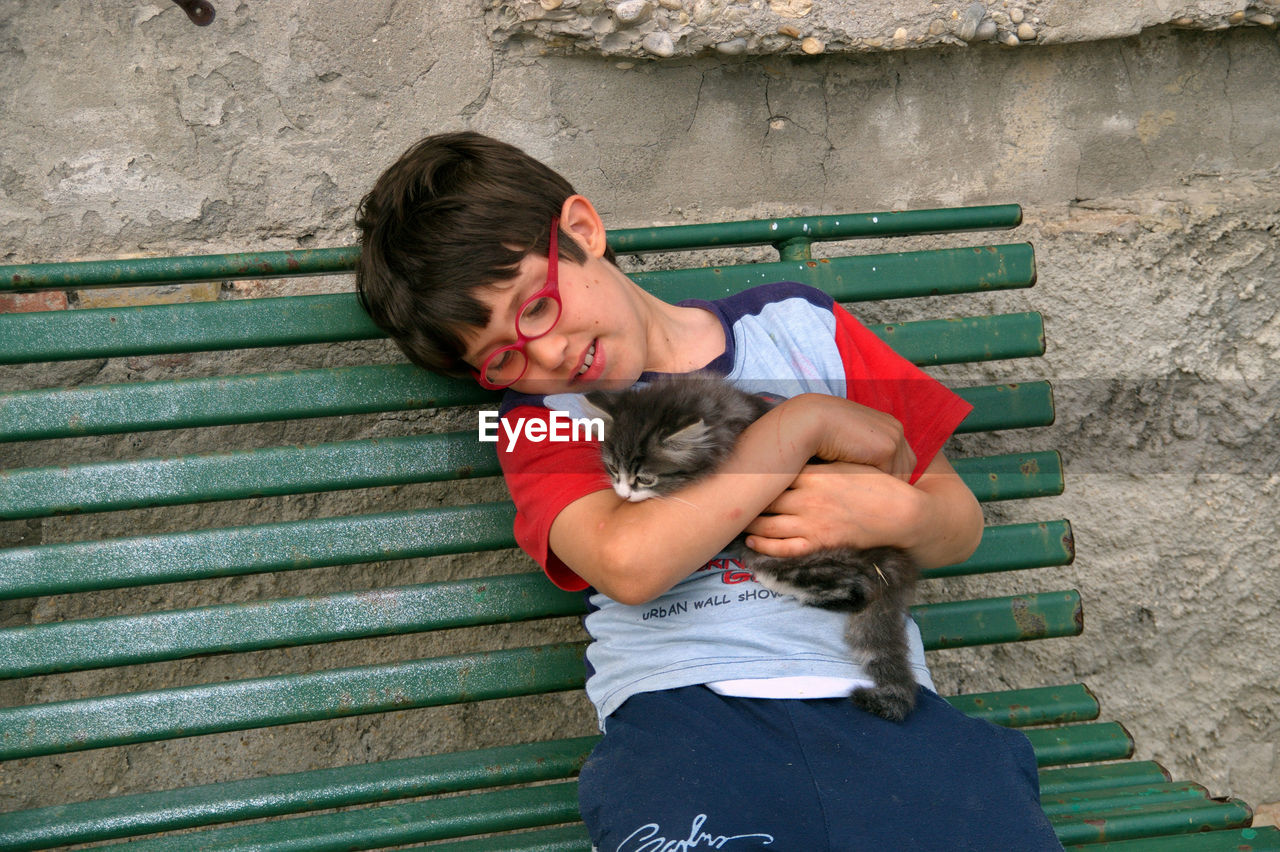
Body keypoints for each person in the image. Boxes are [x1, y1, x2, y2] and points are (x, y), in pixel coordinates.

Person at [355, 130, 1064, 851]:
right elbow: (628, 563)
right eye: (503, 356)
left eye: (535, 307)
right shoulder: (544, 420)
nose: (547, 355)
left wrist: (903, 511)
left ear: (581, 231)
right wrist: (797, 428)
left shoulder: (800, 329)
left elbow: (959, 520)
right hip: (688, 715)